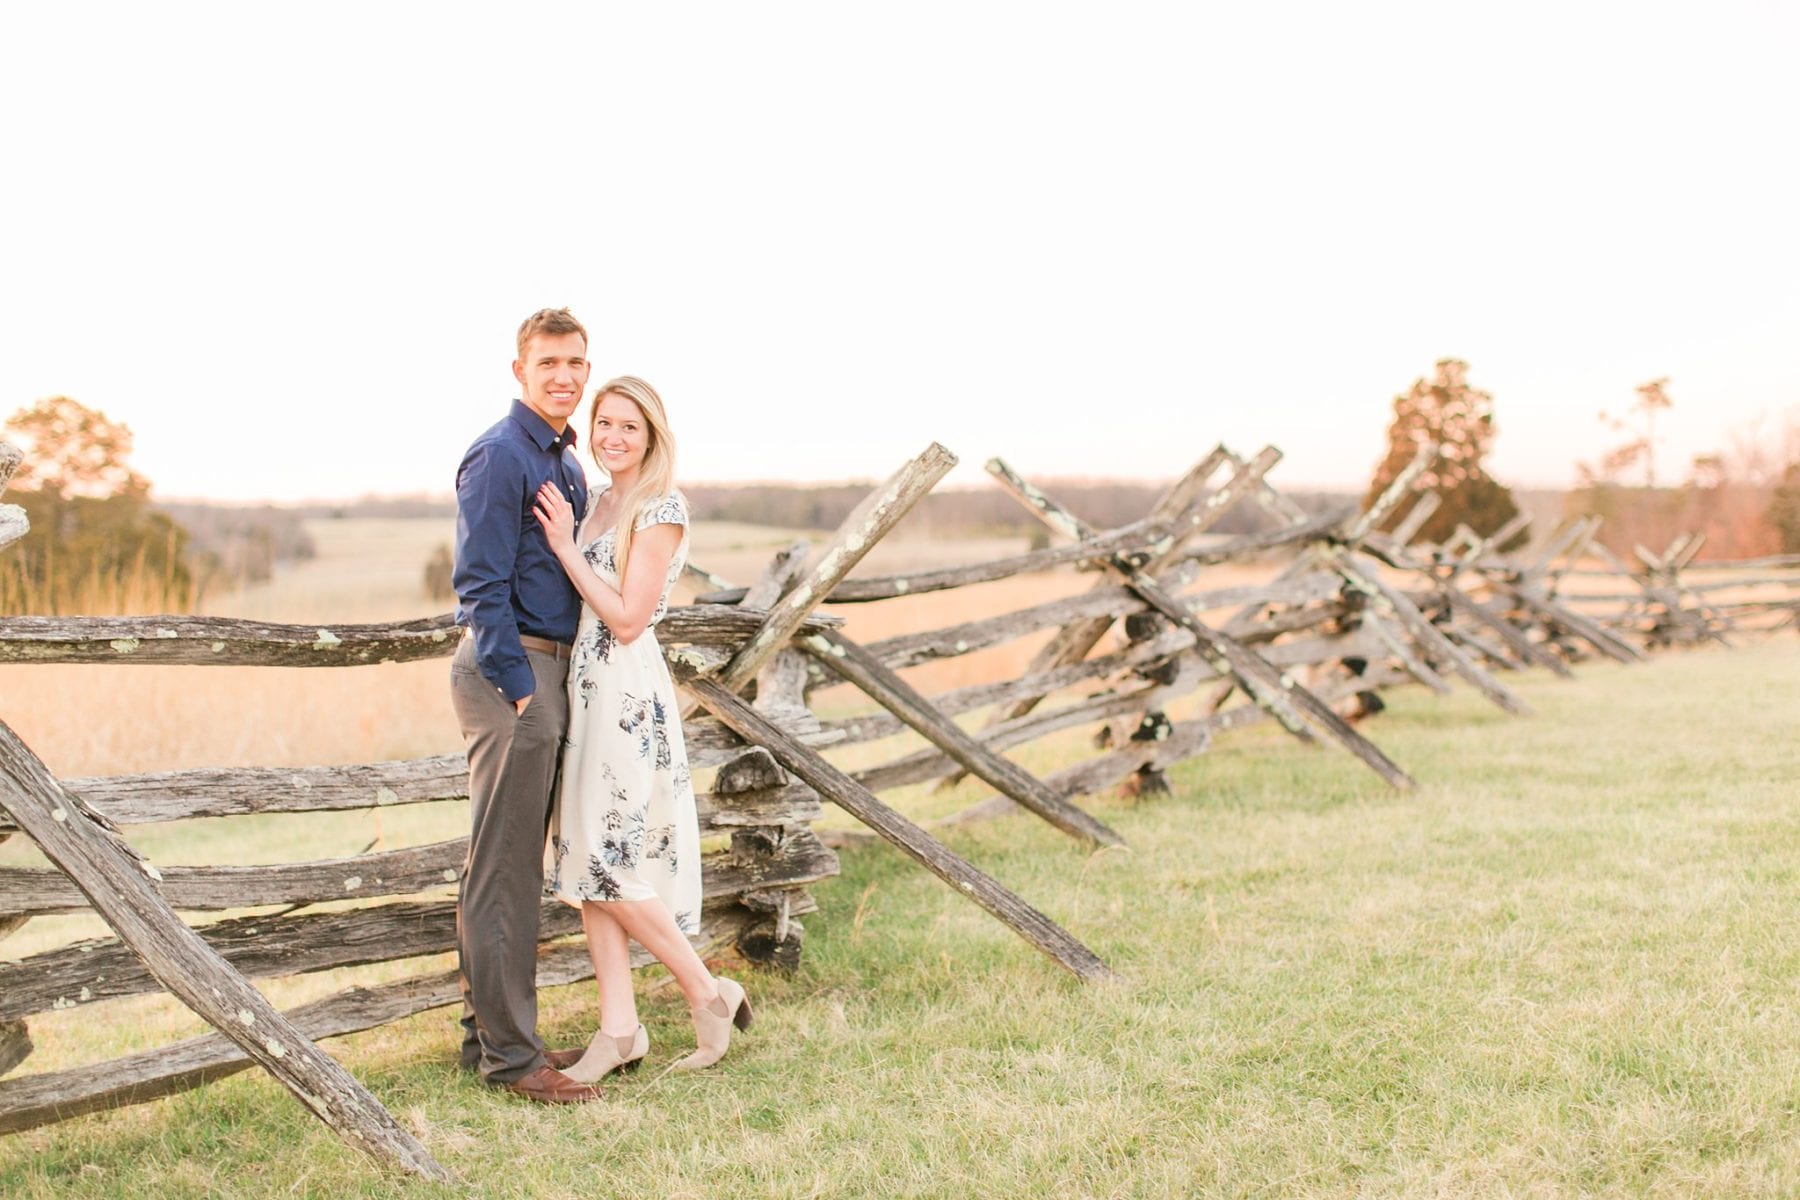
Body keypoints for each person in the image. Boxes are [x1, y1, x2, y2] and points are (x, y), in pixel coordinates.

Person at [531, 375, 752, 1080]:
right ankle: (618, 1031)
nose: (613, 437)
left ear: (652, 435)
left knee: (609, 860)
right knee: (586, 861)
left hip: (625, 694)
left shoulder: (660, 509)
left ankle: (707, 993)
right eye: (605, 424)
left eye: (630, 426)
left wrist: (566, 551)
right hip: (586, 691)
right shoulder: (598, 501)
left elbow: (627, 619)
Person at [448, 308, 601, 1104]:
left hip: (548, 670)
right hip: (514, 677)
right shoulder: (502, 453)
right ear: (519, 370)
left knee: (507, 867)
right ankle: (514, 1064)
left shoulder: (564, 461)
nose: (565, 376)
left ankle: (493, 1043)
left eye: (576, 362)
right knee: (504, 873)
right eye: (548, 363)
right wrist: (519, 692)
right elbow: (477, 586)